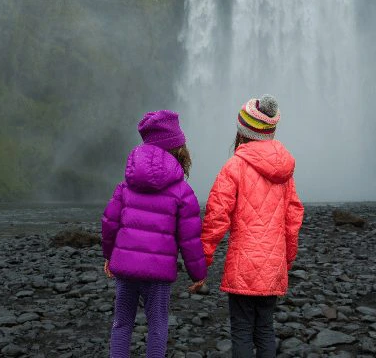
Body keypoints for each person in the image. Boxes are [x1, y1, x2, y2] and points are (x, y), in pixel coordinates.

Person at [198, 94, 304, 358]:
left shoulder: (234, 166)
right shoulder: (285, 172)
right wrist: (287, 259)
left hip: (243, 264)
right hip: (272, 264)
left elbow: (216, 216)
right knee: (266, 330)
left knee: (242, 331)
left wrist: (202, 260)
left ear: (242, 131)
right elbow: (293, 217)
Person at [101, 110, 207, 358]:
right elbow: (189, 239)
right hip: (158, 272)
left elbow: (109, 223)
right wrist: (198, 273)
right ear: (179, 149)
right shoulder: (183, 190)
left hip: (125, 267)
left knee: (122, 323)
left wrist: (109, 256)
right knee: (158, 326)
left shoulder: (126, 185)